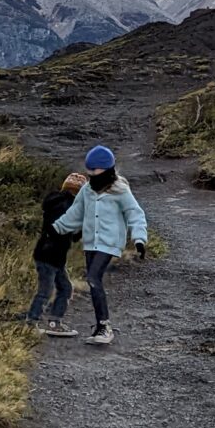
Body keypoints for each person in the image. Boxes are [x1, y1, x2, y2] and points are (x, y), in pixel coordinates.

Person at [54, 145, 149, 346]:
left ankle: (105, 327)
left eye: (95, 173)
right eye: (89, 173)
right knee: (93, 281)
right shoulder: (87, 190)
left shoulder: (121, 191)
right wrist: (55, 230)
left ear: (107, 171)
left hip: (110, 243)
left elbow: (135, 214)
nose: (91, 178)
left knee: (93, 277)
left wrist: (139, 239)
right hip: (91, 243)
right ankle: (100, 326)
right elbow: (75, 214)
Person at [26, 172, 84, 332]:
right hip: (50, 255)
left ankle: (54, 322)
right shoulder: (67, 206)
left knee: (64, 288)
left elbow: (70, 235)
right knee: (46, 291)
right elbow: (63, 231)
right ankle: (32, 324)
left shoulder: (56, 202)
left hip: (52, 255)